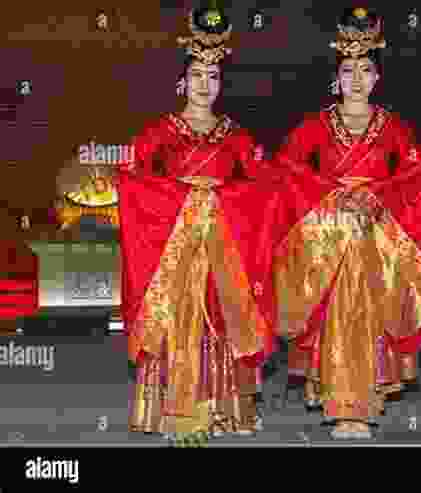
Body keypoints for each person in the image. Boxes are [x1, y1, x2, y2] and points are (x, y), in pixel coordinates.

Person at [119, 6, 283, 442]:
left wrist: (218, 199)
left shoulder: (238, 137)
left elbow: (263, 187)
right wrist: (185, 197)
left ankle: (225, 412)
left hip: (222, 249)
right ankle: (176, 412)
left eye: (212, 76)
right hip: (173, 249)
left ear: (221, 83)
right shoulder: (157, 134)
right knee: (176, 320)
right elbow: (133, 183)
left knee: (222, 318)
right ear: (180, 82)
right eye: (196, 76)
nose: (204, 85)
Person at [273, 7, 421, 439]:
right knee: (337, 316)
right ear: (336, 77)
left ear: (377, 77)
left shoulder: (394, 128)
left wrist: (377, 194)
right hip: (329, 240)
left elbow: (419, 174)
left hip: (377, 237)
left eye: (366, 69)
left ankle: (363, 404)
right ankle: (343, 405)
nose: (357, 78)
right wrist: (334, 196)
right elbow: (287, 170)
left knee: (368, 316)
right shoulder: (315, 126)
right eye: (348, 69)